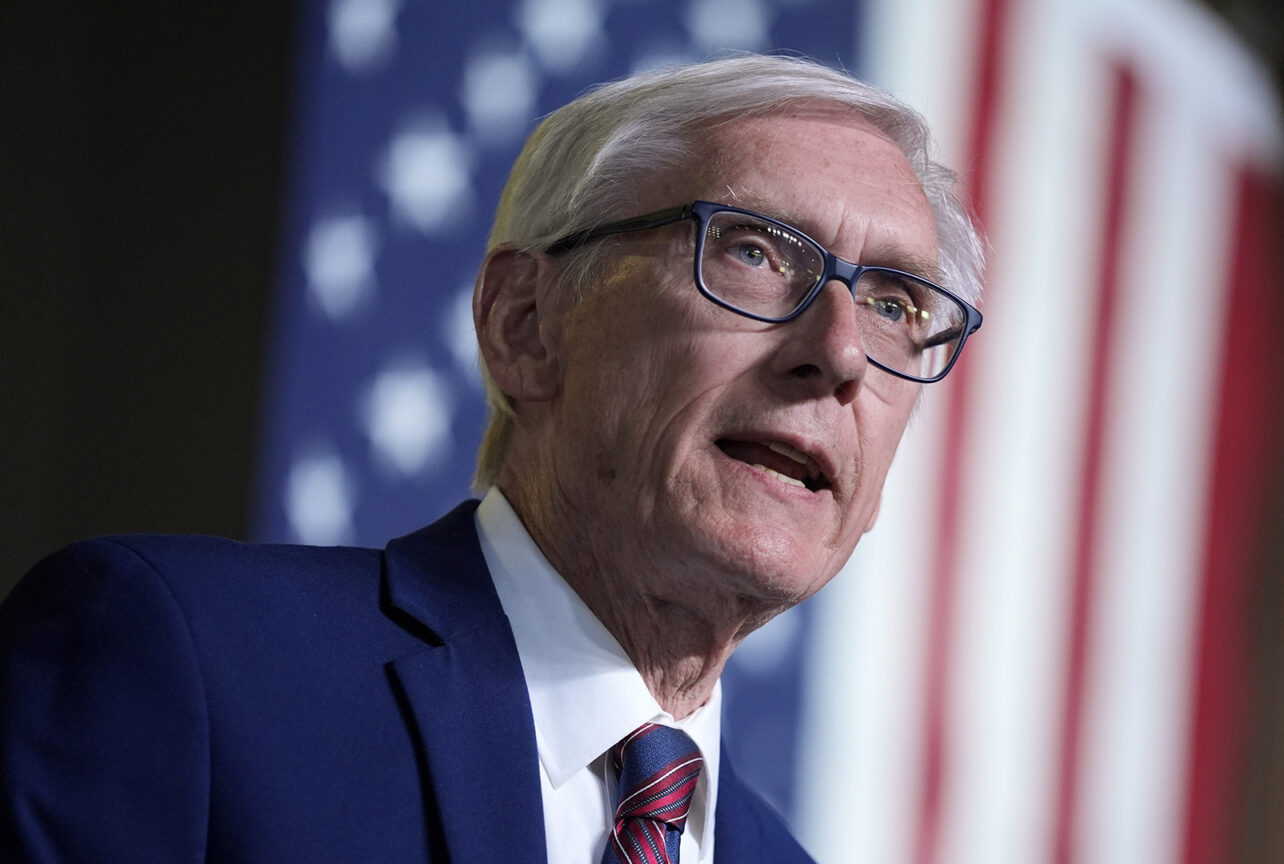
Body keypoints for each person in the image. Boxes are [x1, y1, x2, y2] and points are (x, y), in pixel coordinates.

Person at [0, 54, 984, 863]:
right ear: (524, 324)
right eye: (757, 252)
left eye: (897, 306)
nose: (844, 353)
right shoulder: (185, 668)